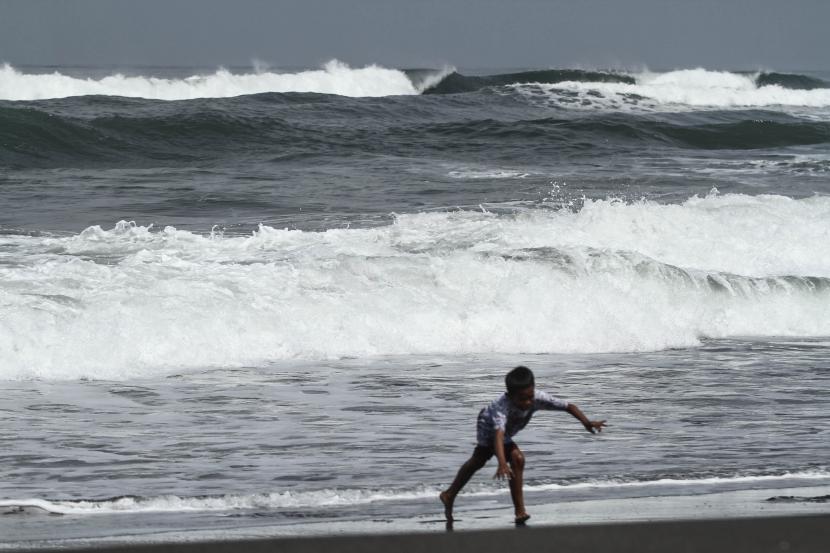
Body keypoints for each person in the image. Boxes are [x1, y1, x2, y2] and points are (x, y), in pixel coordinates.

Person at [439, 365, 606, 525]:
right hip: (487, 425)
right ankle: (516, 511)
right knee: (503, 459)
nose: (528, 402)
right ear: (510, 396)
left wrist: (587, 422)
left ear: (534, 389)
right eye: (522, 399)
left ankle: (451, 495)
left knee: (487, 460)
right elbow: (498, 434)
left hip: (504, 432)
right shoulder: (501, 408)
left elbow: (569, 406)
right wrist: (502, 463)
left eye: (530, 396)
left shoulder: (537, 398)